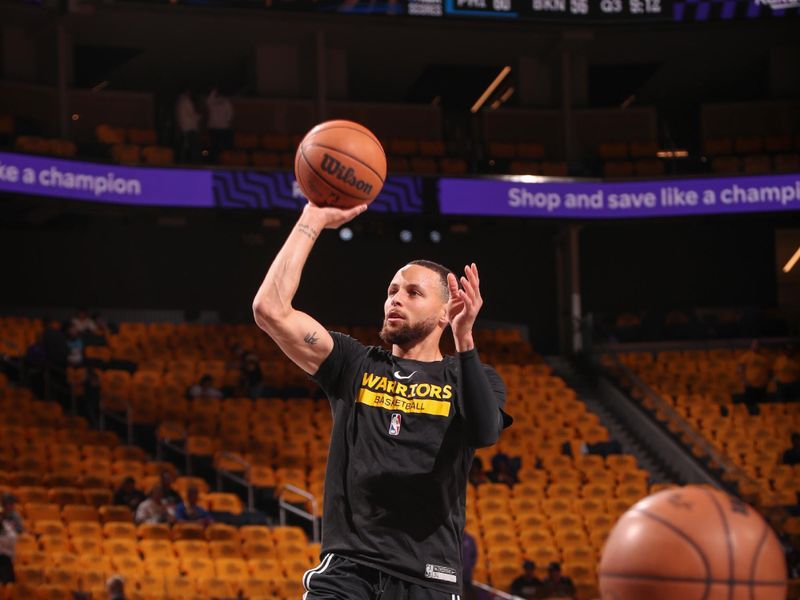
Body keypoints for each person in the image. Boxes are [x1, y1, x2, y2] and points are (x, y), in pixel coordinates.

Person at [252, 202, 511, 600]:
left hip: (428, 578)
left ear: (446, 311)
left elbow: (485, 432)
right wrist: (313, 218)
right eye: (391, 291)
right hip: (348, 569)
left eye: (412, 292)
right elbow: (270, 310)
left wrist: (465, 340)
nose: (395, 299)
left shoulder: (471, 376)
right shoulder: (352, 363)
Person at [737, 340, 771, 409]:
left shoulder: (765, 357)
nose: (756, 346)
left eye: (758, 345)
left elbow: (769, 370)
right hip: (750, 386)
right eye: (755, 344)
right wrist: (744, 381)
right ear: (751, 346)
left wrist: (766, 381)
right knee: (751, 406)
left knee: (762, 406)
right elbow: (740, 370)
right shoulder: (746, 356)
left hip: (762, 386)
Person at [206, 86, 234, 163]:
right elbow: (208, 102)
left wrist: (226, 122)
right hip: (214, 127)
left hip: (222, 128)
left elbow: (230, 113)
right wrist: (213, 91)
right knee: (214, 147)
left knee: (221, 147)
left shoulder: (226, 101)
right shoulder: (212, 101)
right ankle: (214, 161)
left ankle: (222, 161)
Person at [0, 494, 24, 584]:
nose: (11, 506)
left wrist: (10, 527)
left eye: (12, 504)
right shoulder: (1, 513)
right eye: (8, 504)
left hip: (7, 552)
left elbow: (19, 530)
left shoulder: (15, 516)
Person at [175, 88, 201, 163]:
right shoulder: (186, 101)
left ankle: (183, 162)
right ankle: (195, 164)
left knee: (185, 147)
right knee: (194, 148)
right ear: (187, 91)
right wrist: (199, 116)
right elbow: (192, 114)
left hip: (184, 128)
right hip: (190, 128)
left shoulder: (179, 102)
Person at [461, 531, 478, 600]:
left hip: (467, 574)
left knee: (468, 594)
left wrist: (470, 566)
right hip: (455, 573)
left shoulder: (469, 539)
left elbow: (474, 555)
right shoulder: (453, 537)